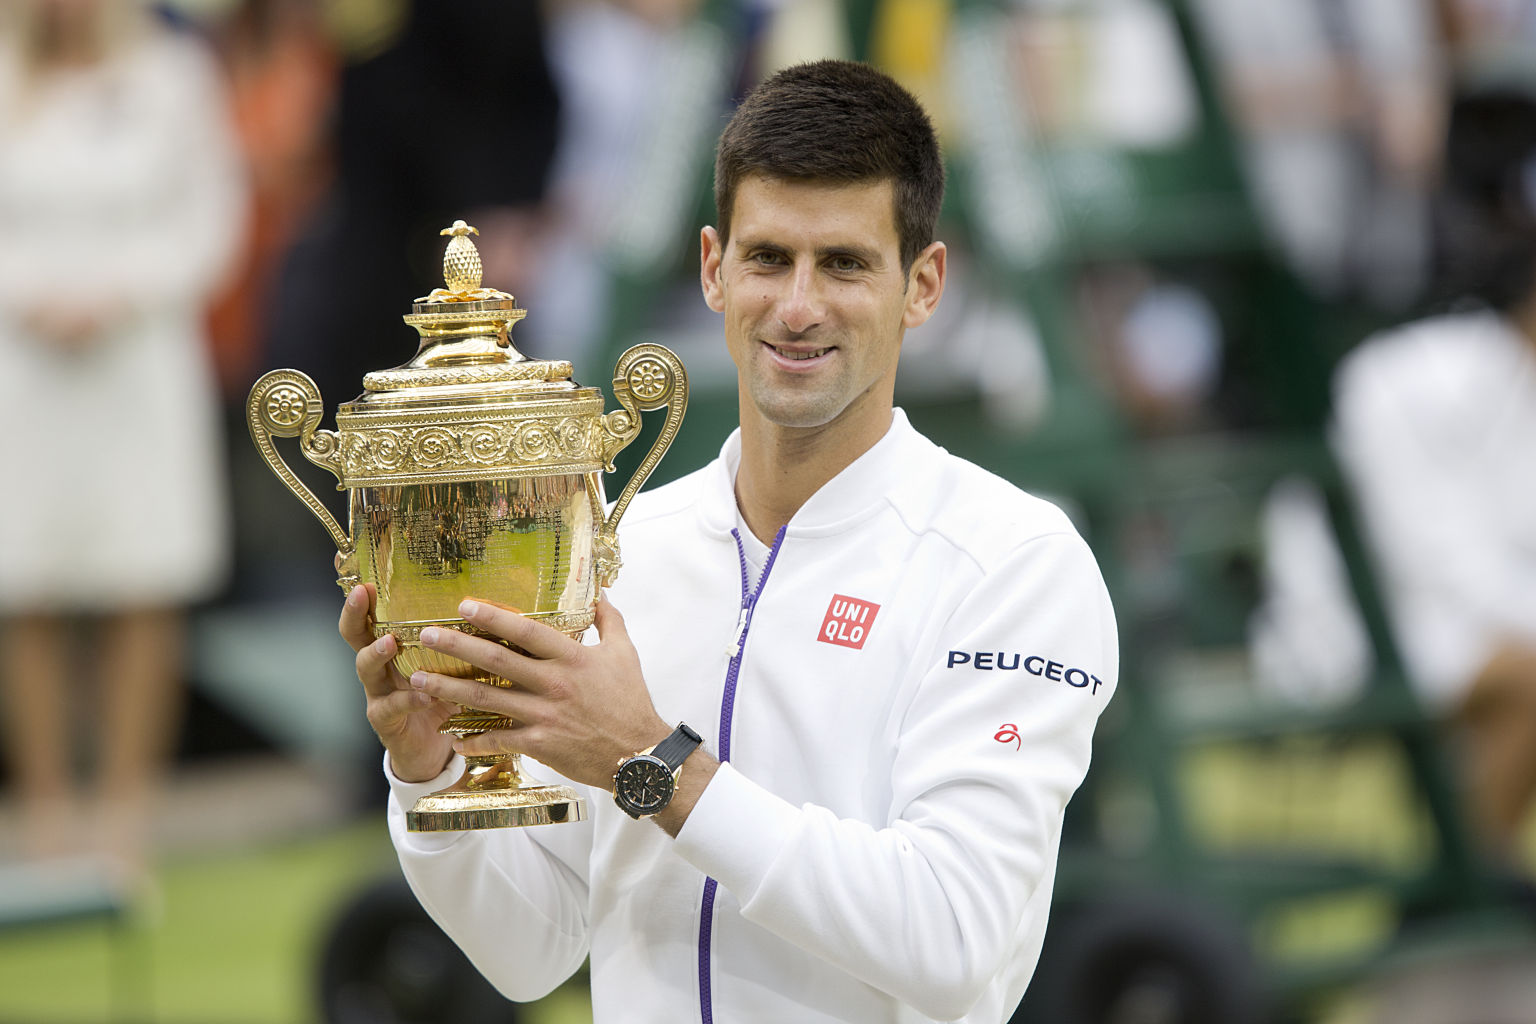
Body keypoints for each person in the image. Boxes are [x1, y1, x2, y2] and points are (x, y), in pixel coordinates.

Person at [339, 60, 1117, 1023]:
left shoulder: (1014, 562)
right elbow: (528, 951)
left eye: (844, 263)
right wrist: (430, 774)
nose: (797, 306)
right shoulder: (620, 548)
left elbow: (953, 937)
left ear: (924, 285)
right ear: (713, 268)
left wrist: (652, 763)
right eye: (767, 258)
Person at [0, 0, 244, 873]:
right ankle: (48, 817)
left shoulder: (171, 77)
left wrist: (122, 292)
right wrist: (29, 293)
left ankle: (123, 818)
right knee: (25, 588)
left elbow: (213, 213)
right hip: (22, 370)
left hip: (138, 361)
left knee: (143, 581)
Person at [1329, 86, 1536, 862]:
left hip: (1477, 631)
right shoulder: (1406, 377)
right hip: (1359, 628)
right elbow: (1439, 566)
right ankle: (1465, 894)